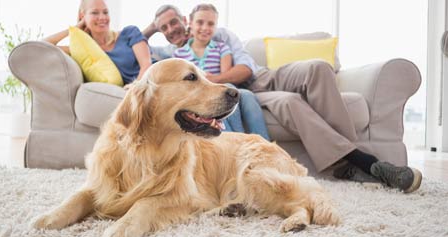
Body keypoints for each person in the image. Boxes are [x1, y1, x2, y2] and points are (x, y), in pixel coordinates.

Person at [143, 4, 422, 193]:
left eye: (173, 23)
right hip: (252, 94)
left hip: (264, 76)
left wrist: (215, 79)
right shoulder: (171, 54)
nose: (171, 30)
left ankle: (350, 162)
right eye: (163, 27)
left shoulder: (219, 35)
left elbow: (244, 68)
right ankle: (366, 162)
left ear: (185, 20)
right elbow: (134, 45)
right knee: (290, 104)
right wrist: (150, 29)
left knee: (318, 68)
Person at [172, 4, 270, 140]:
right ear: (190, 23)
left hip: (221, 88)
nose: (205, 28)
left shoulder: (221, 48)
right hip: (199, 94)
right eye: (200, 22)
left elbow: (225, 78)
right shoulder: (179, 54)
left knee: (246, 94)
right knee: (231, 92)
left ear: (216, 26)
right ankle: (236, 141)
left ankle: (264, 143)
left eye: (211, 24)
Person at [43, 0, 151, 86]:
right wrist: (74, 29)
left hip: (153, 79)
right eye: (95, 12)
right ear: (82, 16)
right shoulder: (85, 51)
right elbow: (43, 46)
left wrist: (134, 89)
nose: (102, 17)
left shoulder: (129, 32)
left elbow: (146, 65)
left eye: (105, 12)